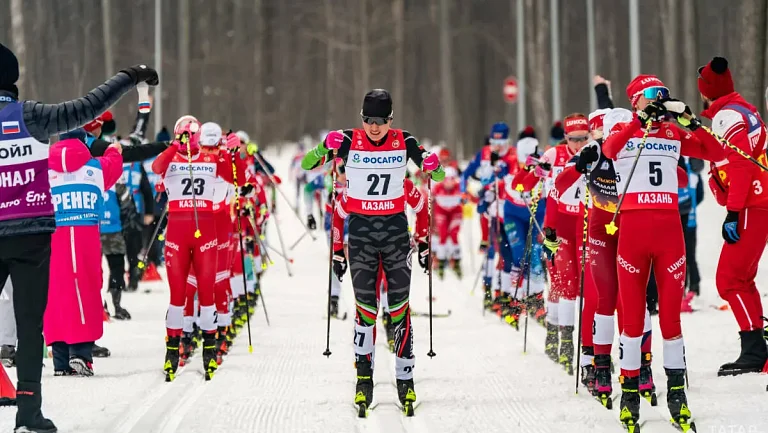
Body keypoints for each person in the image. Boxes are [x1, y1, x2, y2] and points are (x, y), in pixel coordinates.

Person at [0, 41, 158, 433]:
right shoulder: (31, 116)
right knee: (30, 325)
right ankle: (28, 414)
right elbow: (88, 106)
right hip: (32, 236)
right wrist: (131, 77)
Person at [301, 89, 444, 416]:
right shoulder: (349, 142)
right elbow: (310, 164)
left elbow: (436, 175)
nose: (374, 127)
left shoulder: (404, 141)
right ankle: (363, 379)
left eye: (380, 120)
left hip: (395, 236)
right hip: (362, 237)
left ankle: (405, 380)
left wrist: (435, 166)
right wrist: (324, 146)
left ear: (390, 119)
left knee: (399, 310)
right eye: (368, 120)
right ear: (361, 117)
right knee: (365, 310)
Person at [601, 74, 724, 431]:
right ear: (636, 100)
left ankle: (677, 395)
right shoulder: (624, 129)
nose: (658, 104)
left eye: (662, 97)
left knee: (671, 319)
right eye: (652, 97)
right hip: (633, 237)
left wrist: (688, 119)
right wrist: (638, 122)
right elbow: (609, 151)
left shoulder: (672, 133)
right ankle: (629, 394)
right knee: (633, 320)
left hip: (670, 235)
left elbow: (714, 152)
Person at [694, 57, 768, 376]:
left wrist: (734, 212)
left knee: (728, 279)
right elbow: (717, 154)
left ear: (707, 91)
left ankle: (754, 350)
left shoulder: (727, 116)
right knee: (741, 278)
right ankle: (756, 348)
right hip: (756, 200)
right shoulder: (741, 109)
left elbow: (739, 165)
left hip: (752, 203)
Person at [152, 117, 234, 381]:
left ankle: (209, 349)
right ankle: (172, 352)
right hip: (177, 232)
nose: (188, 140)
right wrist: (174, 146)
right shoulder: (172, 157)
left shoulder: (211, 160)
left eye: (191, 136)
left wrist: (228, 150)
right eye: (183, 135)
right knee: (178, 295)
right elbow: (156, 166)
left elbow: (234, 175)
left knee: (207, 292)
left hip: (205, 232)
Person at [45, 129, 123, 376]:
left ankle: (59, 359)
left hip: (53, 239)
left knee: (55, 293)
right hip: (86, 241)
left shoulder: (43, 170)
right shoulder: (96, 169)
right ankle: (81, 353)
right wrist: (107, 146)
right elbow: (115, 159)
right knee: (86, 291)